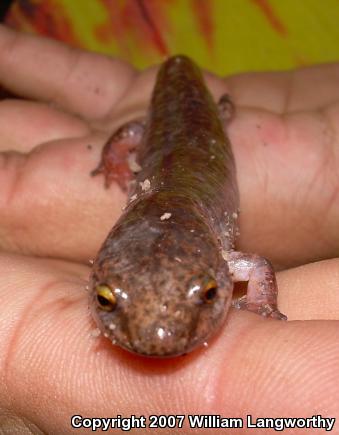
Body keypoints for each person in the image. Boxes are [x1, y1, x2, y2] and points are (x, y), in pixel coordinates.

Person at [0, 24, 337, 433]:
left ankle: (216, 110)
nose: (161, 336)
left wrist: (261, 305)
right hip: (170, 136)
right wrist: (116, 157)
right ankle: (211, 108)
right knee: (138, 133)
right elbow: (256, 266)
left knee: (190, 121)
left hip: (186, 142)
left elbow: (257, 266)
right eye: (107, 300)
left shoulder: (217, 254)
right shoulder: (207, 251)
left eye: (206, 295)